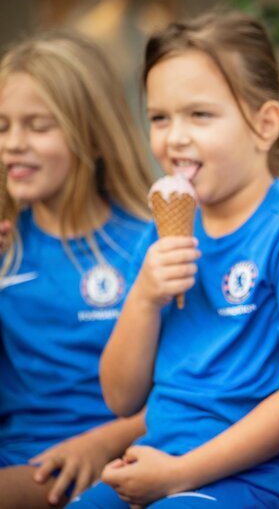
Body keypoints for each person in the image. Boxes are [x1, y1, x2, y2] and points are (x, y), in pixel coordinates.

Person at [70, 11, 279, 508]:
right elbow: (121, 397)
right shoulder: (157, 237)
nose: (175, 137)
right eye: (159, 118)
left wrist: (179, 475)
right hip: (159, 457)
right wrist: (144, 298)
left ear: (264, 125)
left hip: (260, 478)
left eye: (199, 115)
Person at [0, 32, 152, 508]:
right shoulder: (5, 247)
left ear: (92, 134)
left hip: (114, 462)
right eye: (2, 126)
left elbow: (195, 386)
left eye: (38, 126)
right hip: (17, 458)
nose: (14, 144)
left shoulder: (148, 244)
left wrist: (104, 442)